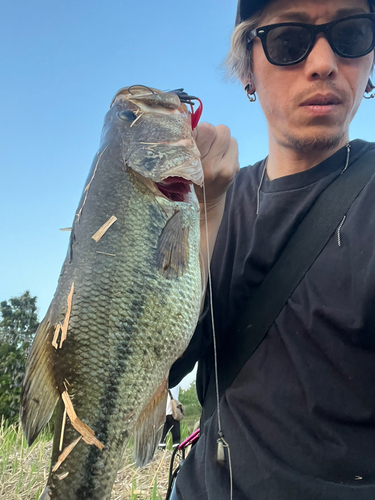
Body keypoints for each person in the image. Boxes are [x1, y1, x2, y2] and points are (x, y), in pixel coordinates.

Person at [169, 0, 375, 498]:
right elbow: (149, 373)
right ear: (247, 69)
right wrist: (203, 216)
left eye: (350, 34)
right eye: (288, 41)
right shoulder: (212, 198)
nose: (324, 62)